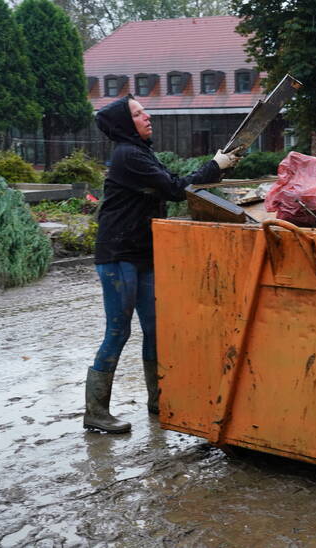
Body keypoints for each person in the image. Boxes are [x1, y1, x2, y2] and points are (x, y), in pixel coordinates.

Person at [84, 94, 240, 434]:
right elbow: (174, 189)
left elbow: (178, 182)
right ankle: (96, 411)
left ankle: (158, 400)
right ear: (126, 124)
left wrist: (217, 167)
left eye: (144, 111)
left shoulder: (141, 153)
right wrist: (216, 166)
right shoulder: (128, 156)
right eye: (139, 114)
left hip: (142, 252)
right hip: (118, 255)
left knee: (156, 329)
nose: (148, 116)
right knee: (118, 331)